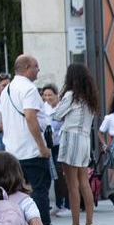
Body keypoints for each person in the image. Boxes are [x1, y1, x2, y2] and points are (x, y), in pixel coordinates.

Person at [2, 55, 57, 225]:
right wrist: (42, 147)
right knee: (39, 190)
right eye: (36, 67)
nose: (38, 71)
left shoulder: (6, 89)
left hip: (12, 151)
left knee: (17, 192)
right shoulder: (29, 89)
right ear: (26, 68)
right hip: (31, 150)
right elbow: (31, 118)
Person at [51, 63, 100, 225]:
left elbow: (56, 116)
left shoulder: (71, 96)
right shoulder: (89, 98)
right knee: (84, 182)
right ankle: (89, 224)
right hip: (85, 140)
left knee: (72, 185)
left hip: (71, 139)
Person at [39, 83, 67, 218]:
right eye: (45, 95)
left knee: (61, 174)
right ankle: (58, 204)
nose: (47, 97)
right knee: (53, 175)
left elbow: (61, 125)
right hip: (48, 146)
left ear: (57, 95)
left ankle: (65, 205)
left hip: (60, 144)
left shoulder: (62, 108)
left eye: (50, 94)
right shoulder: (42, 109)